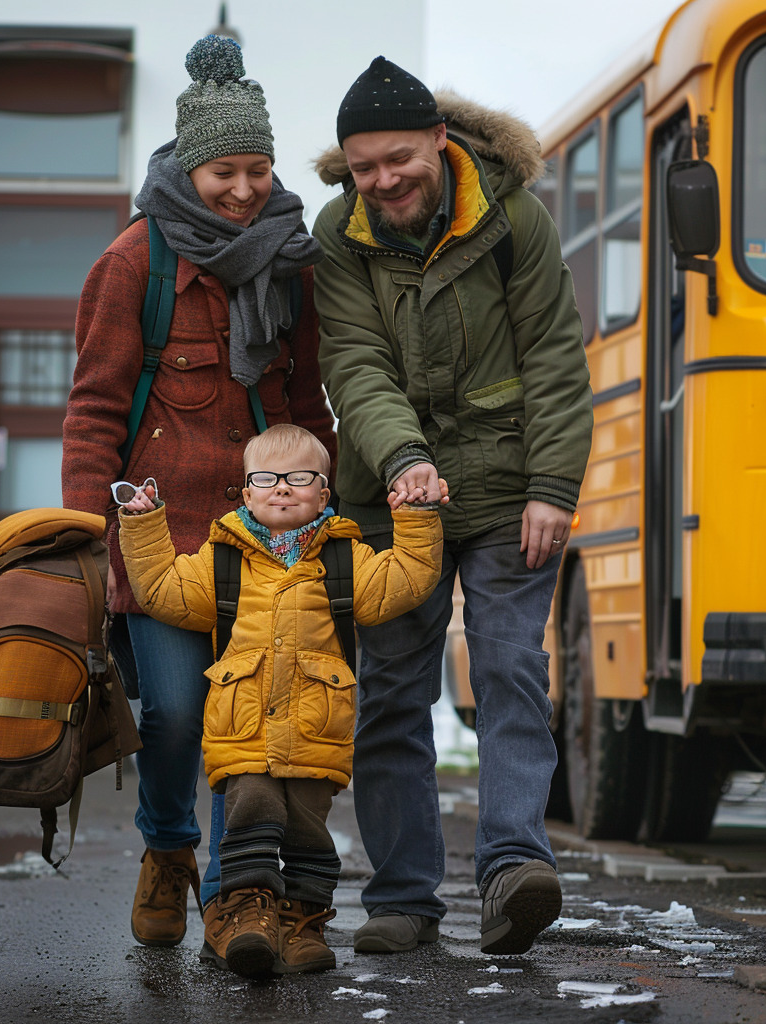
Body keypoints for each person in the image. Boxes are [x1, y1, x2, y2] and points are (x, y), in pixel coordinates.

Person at [311, 57, 594, 957]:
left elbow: (553, 353)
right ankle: (403, 897)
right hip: (395, 499)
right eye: (365, 168)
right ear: (347, 169)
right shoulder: (339, 236)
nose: (385, 180)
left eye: (400, 158)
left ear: (441, 140)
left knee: (510, 668)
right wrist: (401, 460)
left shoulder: (513, 218)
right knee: (391, 692)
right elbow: (353, 363)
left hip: (510, 486)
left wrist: (553, 487)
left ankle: (515, 869)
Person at [61, 35, 337, 951]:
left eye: (259, 169)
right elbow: (95, 410)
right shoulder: (135, 264)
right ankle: (169, 851)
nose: (245, 190)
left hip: (271, 548)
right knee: (178, 715)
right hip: (164, 547)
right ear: (189, 166)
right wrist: (86, 543)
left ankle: (234, 894)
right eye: (226, 170)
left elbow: (305, 407)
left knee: (253, 731)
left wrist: (326, 516)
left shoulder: (289, 263)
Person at [116, 423, 445, 978]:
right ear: (246, 492)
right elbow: (162, 591)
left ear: (325, 491)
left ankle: (302, 924)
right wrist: (145, 526)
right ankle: (245, 915)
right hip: (242, 733)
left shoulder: (346, 559)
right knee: (251, 814)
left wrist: (417, 520)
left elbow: (407, 579)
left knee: (308, 832)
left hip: (318, 734)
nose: (282, 488)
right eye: (266, 478)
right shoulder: (220, 562)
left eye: (299, 478)